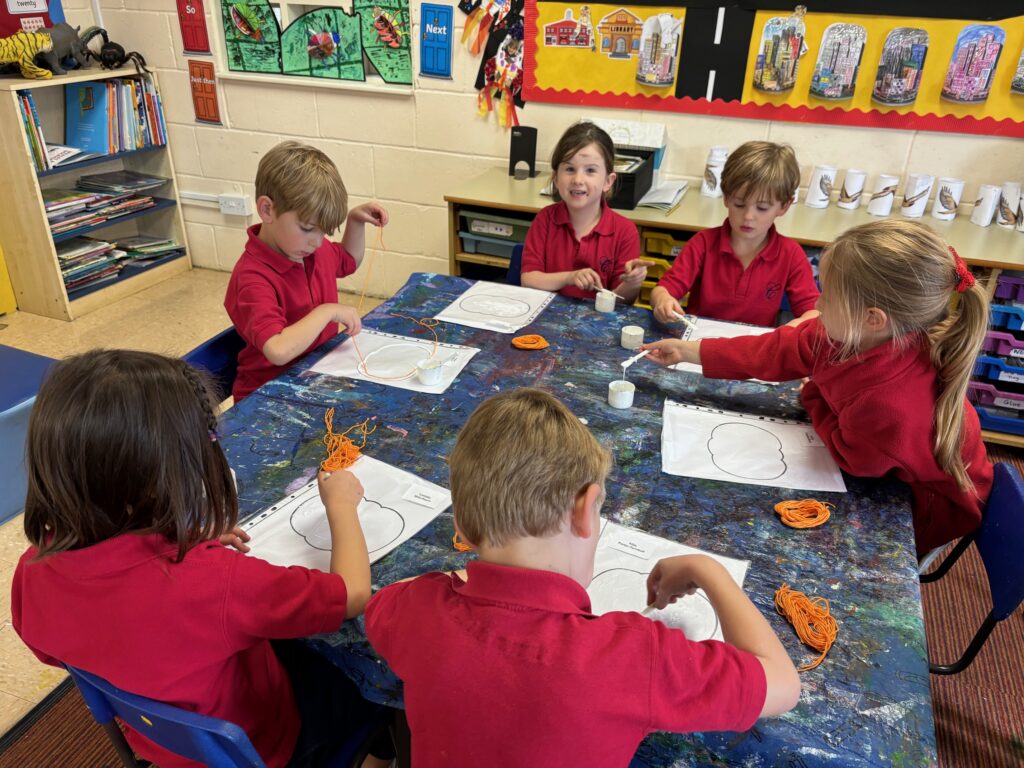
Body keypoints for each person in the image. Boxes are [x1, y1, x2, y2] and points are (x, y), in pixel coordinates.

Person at [364, 389, 800, 767]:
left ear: (460, 524)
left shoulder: (417, 608)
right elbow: (782, 685)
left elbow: (382, 607)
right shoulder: (632, 657)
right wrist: (711, 571)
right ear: (584, 508)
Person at [11, 350, 393, 768]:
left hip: (157, 742)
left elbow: (53, 652)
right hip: (265, 747)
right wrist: (340, 506)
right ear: (172, 475)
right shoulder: (217, 582)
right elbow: (353, 595)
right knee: (372, 680)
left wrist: (182, 539)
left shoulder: (32, 567)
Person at [643, 220, 992, 556]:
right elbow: (778, 350)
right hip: (886, 458)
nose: (818, 305)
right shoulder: (856, 331)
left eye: (828, 296)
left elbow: (852, 455)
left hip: (926, 507)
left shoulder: (893, 405)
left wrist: (813, 397)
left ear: (872, 318)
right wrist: (692, 352)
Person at [225, 140, 389, 401]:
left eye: (323, 231)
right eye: (307, 228)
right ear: (267, 209)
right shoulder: (252, 278)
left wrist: (356, 221)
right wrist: (327, 312)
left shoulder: (311, 248)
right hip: (267, 399)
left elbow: (348, 260)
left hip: (315, 378)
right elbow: (278, 349)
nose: (317, 241)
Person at [650, 141, 819, 328]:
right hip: (699, 345)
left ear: (784, 206)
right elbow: (664, 289)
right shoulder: (703, 244)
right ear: (727, 198)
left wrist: (799, 325)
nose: (748, 216)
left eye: (762, 208)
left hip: (754, 349)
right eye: (739, 204)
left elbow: (811, 310)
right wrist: (663, 300)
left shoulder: (790, 254)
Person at [520, 121, 649, 303]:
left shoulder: (625, 231)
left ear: (608, 181)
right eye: (570, 169)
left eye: (590, 170)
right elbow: (528, 280)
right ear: (556, 178)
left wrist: (633, 283)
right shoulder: (545, 219)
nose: (578, 179)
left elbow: (622, 301)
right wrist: (569, 277)